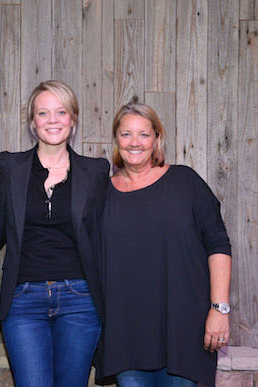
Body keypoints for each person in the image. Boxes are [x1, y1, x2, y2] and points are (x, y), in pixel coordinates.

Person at [97, 99, 232, 387]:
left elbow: (218, 242)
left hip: (183, 331)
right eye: (126, 134)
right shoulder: (101, 194)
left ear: (157, 139)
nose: (135, 142)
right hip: (125, 332)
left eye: (144, 134)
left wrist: (219, 309)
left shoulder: (185, 182)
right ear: (116, 139)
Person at [0, 80, 110, 386]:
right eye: (43, 113)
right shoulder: (10, 168)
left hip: (80, 298)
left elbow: (106, 238)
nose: (52, 120)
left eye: (61, 112)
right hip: (22, 299)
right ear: (33, 123)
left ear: (72, 119)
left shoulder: (96, 171)